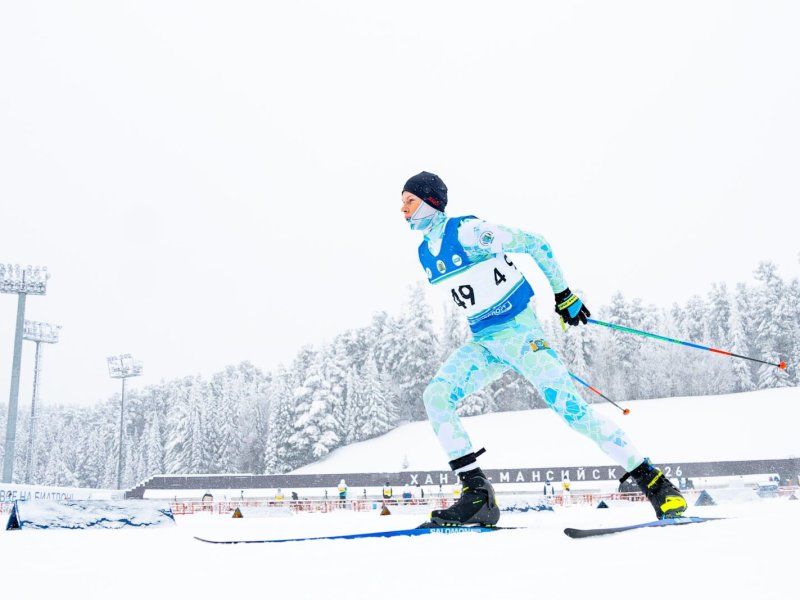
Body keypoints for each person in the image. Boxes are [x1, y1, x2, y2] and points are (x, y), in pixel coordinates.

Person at [400, 171, 687, 527]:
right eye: (402, 203)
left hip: (521, 336)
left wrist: (563, 294)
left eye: (409, 201)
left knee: (573, 412)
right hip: (485, 343)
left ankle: (657, 485)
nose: (403, 209)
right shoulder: (425, 253)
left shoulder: (468, 232)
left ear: (431, 201)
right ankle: (477, 496)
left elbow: (536, 243)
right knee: (436, 397)